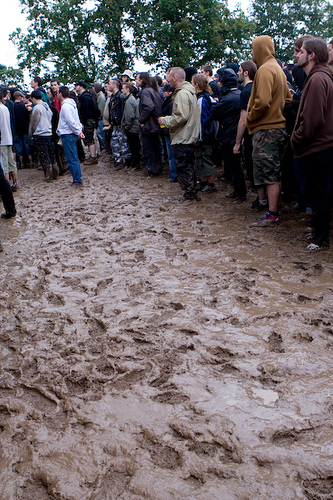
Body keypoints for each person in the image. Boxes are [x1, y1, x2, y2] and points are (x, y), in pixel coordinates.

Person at [291, 37, 333, 250]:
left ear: (312, 55)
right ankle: (319, 230)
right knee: (319, 194)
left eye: (300, 51)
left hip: (317, 147)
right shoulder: (321, 77)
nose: (296, 55)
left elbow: (313, 120)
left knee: (318, 194)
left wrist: (296, 138)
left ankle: (320, 239)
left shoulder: (317, 79)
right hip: (320, 146)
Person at [246, 35, 291, 227]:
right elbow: (288, 98)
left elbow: (262, 102)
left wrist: (250, 118)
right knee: (274, 172)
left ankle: (272, 214)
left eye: (253, 49)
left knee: (270, 174)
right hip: (278, 128)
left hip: (266, 130)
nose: (251, 53)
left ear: (260, 49)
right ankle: (273, 210)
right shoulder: (278, 69)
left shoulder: (264, 70)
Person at [158, 67, 200, 201]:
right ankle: (192, 193)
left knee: (183, 167)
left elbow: (180, 116)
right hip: (188, 135)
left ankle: (190, 195)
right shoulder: (189, 92)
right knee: (189, 166)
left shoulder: (182, 94)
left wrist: (165, 120)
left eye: (168, 75)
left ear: (175, 78)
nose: (166, 78)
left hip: (182, 136)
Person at [211, 69, 247, 203]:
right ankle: (238, 191)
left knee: (234, 166)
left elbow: (214, 113)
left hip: (230, 135)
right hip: (234, 134)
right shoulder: (239, 94)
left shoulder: (228, 98)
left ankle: (241, 193)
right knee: (235, 166)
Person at [233, 61, 257, 195]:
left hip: (250, 134)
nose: (238, 73)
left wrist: (237, 142)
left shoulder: (245, 92)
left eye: (240, 70)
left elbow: (243, 119)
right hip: (259, 133)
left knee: (251, 166)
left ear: (246, 73)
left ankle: (261, 200)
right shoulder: (257, 87)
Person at [191, 73, 217, 192]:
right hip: (208, 135)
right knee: (201, 158)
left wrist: (198, 138)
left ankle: (210, 183)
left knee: (204, 158)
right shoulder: (208, 97)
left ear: (196, 84)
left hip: (205, 136)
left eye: (192, 82)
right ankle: (204, 181)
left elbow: (201, 120)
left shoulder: (201, 99)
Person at [57, 86, 85, 186]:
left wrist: (78, 131)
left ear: (60, 93)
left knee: (72, 159)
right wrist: (79, 130)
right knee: (73, 158)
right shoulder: (72, 105)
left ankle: (77, 180)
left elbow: (70, 121)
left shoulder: (65, 106)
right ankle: (77, 179)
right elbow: (75, 120)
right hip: (71, 134)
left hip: (68, 134)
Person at [136, 72, 163, 177]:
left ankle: (153, 170)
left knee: (149, 149)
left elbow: (149, 107)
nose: (136, 81)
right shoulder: (153, 91)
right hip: (154, 126)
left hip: (149, 127)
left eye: (137, 79)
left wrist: (141, 120)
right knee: (156, 148)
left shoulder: (145, 92)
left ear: (142, 80)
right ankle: (158, 168)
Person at [29, 89, 58, 181]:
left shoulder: (37, 108)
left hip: (40, 134)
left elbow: (34, 122)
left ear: (33, 98)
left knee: (43, 155)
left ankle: (48, 175)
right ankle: (55, 171)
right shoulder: (47, 106)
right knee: (51, 153)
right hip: (48, 133)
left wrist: (32, 133)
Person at [108, 78, 130, 169]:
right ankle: (118, 161)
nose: (108, 86)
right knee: (115, 144)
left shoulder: (120, 97)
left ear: (114, 85)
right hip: (115, 125)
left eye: (109, 84)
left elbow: (123, 111)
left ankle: (125, 161)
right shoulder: (113, 98)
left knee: (123, 144)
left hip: (120, 125)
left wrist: (123, 123)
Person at [75, 80, 99, 165]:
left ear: (81, 86)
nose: (75, 87)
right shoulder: (88, 96)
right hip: (91, 120)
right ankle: (93, 155)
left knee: (89, 139)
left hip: (88, 121)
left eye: (77, 85)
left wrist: (83, 123)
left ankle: (93, 157)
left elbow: (85, 111)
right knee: (90, 138)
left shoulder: (84, 97)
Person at [0, 90, 19, 191]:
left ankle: (6, 189)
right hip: (8, 138)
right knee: (11, 163)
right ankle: (16, 183)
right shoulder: (5, 108)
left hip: (1, 141)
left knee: (4, 167)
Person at [121, 82, 141, 170]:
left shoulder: (129, 101)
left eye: (123, 88)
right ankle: (135, 163)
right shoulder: (131, 99)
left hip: (132, 128)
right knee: (135, 146)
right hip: (134, 126)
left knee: (133, 146)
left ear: (127, 89)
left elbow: (129, 116)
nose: (122, 90)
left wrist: (127, 127)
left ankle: (135, 164)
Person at [161, 83, 177, 182]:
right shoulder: (169, 101)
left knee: (172, 155)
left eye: (164, 91)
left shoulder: (170, 103)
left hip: (170, 131)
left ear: (169, 92)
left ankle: (174, 175)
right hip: (168, 130)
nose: (163, 93)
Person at [13, 90, 32, 169]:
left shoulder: (12, 106)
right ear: (20, 97)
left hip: (16, 130)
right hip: (25, 129)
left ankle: (21, 163)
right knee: (27, 146)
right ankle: (30, 162)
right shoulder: (24, 106)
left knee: (18, 146)